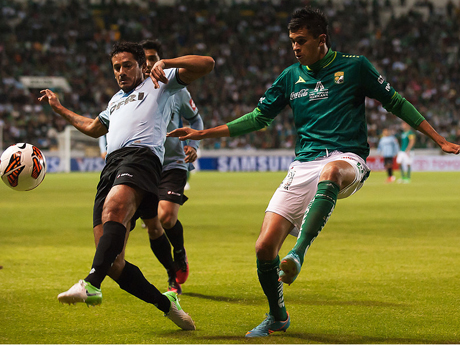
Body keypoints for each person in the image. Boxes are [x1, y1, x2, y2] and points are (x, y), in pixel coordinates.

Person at [167, 7, 460, 337]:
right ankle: (278, 316)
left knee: (332, 170)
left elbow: (396, 102)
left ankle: (299, 252)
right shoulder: (291, 76)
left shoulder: (355, 66)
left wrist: (439, 139)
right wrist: (203, 134)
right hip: (302, 165)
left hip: (348, 158)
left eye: (301, 41)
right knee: (264, 247)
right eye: (292, 41)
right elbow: (257, 118)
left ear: (321, 40)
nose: (295, 47)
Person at [39, 41, 214, 330]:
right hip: (111, 167)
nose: (121, 72)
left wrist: (167, 62)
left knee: (116, 208)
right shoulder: (114, 101)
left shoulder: (161, 83)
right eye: (116, 67)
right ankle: (168, 305)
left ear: (141, 65)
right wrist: (59, 109)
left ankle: (90, 284)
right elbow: (94, 128)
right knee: (114, 262)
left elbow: (207, 63)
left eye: (127, 65)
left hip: (142, 158)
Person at [140, 40, 204, 295]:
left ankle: (179, 252)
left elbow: (195, 118)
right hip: (144, 165)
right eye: (143, 58)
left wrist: (193, 144)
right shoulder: (133, 89)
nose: (148, 63)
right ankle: (171, 276)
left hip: (173, 162)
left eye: (152, 57)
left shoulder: (177, 89)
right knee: (153, 225)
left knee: (166, 217)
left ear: (160, 60)